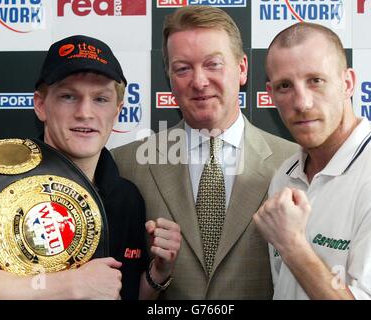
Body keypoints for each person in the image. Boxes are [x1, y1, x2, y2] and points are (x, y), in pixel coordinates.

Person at [0, 35, 181, 300]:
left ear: (117, 110)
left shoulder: (127, 198)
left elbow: (124, 293)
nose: (85, 112)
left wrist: (158, 272)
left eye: (100, 99)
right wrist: (68, 285)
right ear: (40, 105)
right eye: (69, 96)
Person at [112, 6, 298, 299]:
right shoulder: (125, 164)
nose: (199, 82)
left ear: (242, 69)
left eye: (213, 64)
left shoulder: (294, 164)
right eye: (183, 68)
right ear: (169, 77)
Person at [253, 22, 371, 300]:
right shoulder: (284, 176)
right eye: (285, 86)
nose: (301, 102)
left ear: (347, 83)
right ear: (270, 95)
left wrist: (292, 245)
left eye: (315, 80)